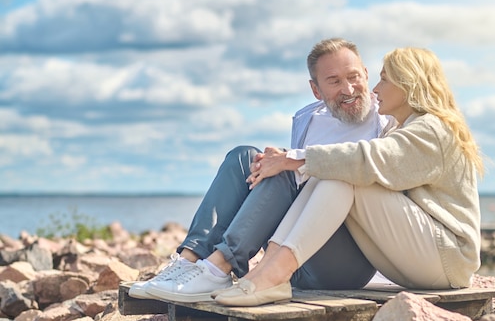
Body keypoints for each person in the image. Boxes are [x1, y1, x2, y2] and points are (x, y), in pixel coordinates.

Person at [128, 38, 395, 303]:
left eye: (354, 76)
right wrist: (275, 162)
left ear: (366, 74)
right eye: (334, 81)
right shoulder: (309, 118)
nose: (348, 89)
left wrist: (286, 162)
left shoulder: (387, 121)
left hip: (344, 264)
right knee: (245, 156)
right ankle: (187, 263)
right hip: (289, 260)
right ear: (316, 89)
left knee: (282, 167)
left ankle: (219, 267)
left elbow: (373, 171)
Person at [214, 47, 485, 307]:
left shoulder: (433, 128)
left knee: (345, 174)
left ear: (408, 85)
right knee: (331, 171)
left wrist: (291, 158)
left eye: (385, 79)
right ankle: (268, 270)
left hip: (449, 260)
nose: (376, 89)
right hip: (419, 262)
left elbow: (369, 158)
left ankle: (275, 274)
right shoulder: (406, 129)